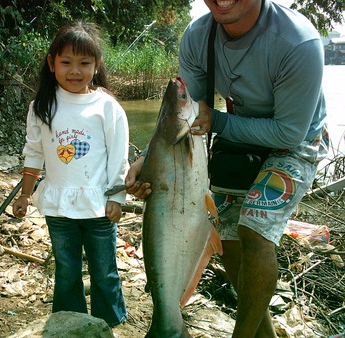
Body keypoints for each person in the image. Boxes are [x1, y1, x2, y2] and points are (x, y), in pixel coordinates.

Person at [126, 0, 329, 336]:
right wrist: (148, 159)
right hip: (240, 135)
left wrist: (217, 119)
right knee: (229, 234)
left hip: (296, 139)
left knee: (254, 226)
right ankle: (261, 333)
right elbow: (184, 115)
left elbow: (288, 132)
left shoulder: (298, 43)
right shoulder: (197, 35)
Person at [12, 22, 129, 327]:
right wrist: (25, 194)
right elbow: (34, 152)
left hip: (99, 207)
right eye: (66, 62)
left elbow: (119, 157)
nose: (74, 71)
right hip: (59, 206)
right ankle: (70, 322)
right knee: (66, 269)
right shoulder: (41, 106)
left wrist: (117, 196)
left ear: (97, 65)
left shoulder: (107, 107)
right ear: (52, 63)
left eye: (84, 63)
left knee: (104, 270)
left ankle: (110, 324)